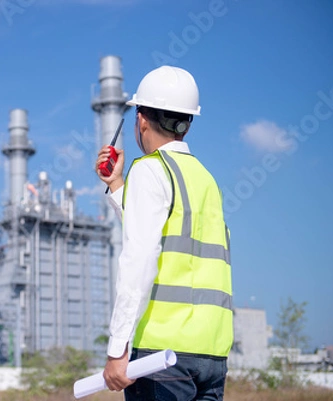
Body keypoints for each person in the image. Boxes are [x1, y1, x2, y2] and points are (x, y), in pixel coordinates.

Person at [95, 65, 233, 401]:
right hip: (211, 354)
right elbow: (165, 235)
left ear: (141, 119)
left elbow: (139, 258)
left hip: (162, 355)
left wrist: (117, 348)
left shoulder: (149, 169)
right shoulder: (206, 179)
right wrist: (116, 185)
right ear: (188, 122)